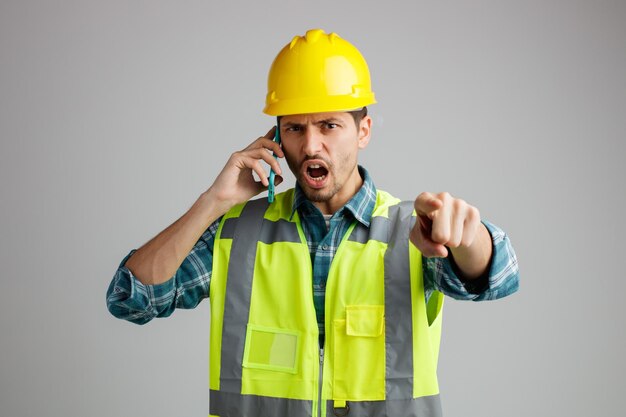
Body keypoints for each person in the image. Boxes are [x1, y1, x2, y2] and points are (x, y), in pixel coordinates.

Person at [107, 29, 519, 417]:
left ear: (364, 131)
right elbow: (132, 298)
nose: (310, 145)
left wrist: (466, 237)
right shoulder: (235, 231)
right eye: (294, 128)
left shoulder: (413, 230)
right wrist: (212, 202)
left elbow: (496, 276)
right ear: (276, 138)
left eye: (329, 125)